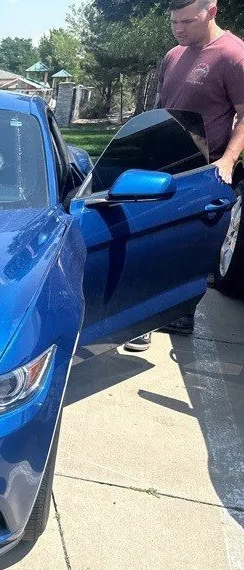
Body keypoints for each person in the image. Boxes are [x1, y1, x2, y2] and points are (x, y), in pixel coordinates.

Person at [125, 0, 244, 352]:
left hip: (205, 168)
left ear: (212, 11)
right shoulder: (174, 54)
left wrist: (227, 160)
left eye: (187, 21)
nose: (179, 29)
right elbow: (165, 106)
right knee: (150, 236)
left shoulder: (233, 56)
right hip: (166, 159)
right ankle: (142, 316)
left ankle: (179, 312)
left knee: (190, 242)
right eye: (174, 22)